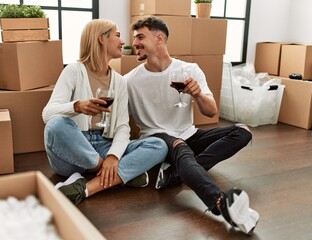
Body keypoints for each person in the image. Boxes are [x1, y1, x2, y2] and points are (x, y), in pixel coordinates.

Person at [125, 16, 259, 235]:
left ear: (159, 38)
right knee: (180, 146)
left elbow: (211, 111)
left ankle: (177, 175)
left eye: (140, 37)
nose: (135, 43)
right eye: (135, 38)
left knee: (242, 131)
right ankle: (221, 204)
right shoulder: (129, 80)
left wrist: (197, 94)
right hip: (156, 140)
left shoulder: (189, 70)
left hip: (188, 134)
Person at [42, 19, 167, 205]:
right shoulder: (74, 71)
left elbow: (123, 127)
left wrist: (112, 156)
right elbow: (47, 114)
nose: (123, 41)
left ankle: (85, 187)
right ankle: (117, 174)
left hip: (104, 145)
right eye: (117, 35)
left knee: (159, 145)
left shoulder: (120, 81)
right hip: (74, 149)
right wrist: (76, 106)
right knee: (56, 124)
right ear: (101, 39)